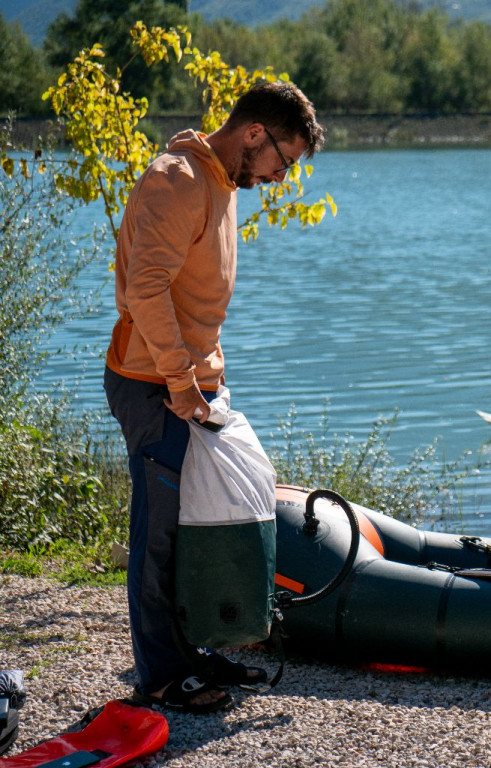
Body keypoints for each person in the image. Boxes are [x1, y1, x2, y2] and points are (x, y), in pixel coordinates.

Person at [103, 81, 325, 713]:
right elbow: (145, 291)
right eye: (283, 160)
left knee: (200, 527)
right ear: (254, 133)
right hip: (154, 386)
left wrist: (205, 381)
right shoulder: (177, 180)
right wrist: (179, 381)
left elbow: (193, 299)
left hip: (192, 385)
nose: (281, 175)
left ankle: (194, 650)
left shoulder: (222, 185)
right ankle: (160, 676)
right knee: (160, 535)